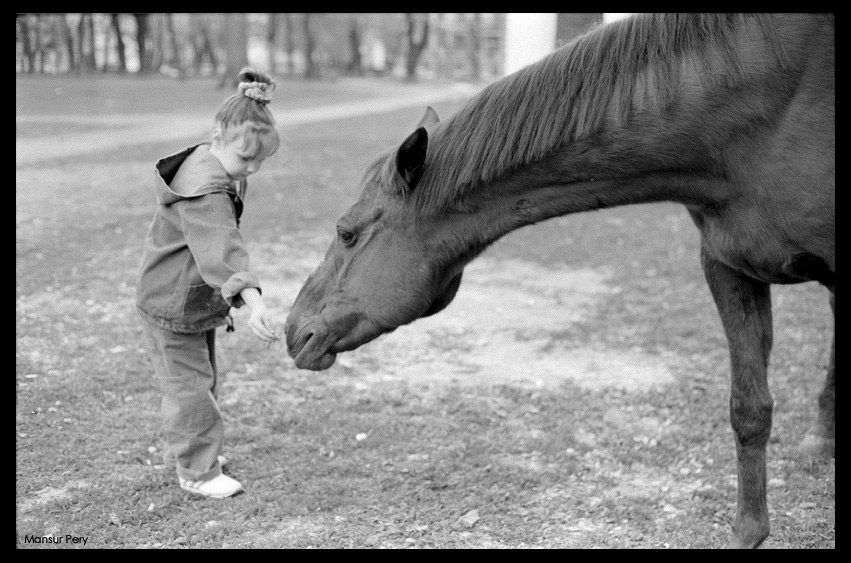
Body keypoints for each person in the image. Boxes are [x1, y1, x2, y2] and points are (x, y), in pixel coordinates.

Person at [136, 67, 280, 499]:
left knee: (202, 381)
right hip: (171, 302)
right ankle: (197, 472)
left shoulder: (208, 162)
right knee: (191, 389)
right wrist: (253, 301)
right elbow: (222, 248)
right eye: (244, 159)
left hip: (188, 298)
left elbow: (218, 246)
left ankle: (199, 454)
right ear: (218, 137)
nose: (250, 170)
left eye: (260, 161)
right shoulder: (205, 191)